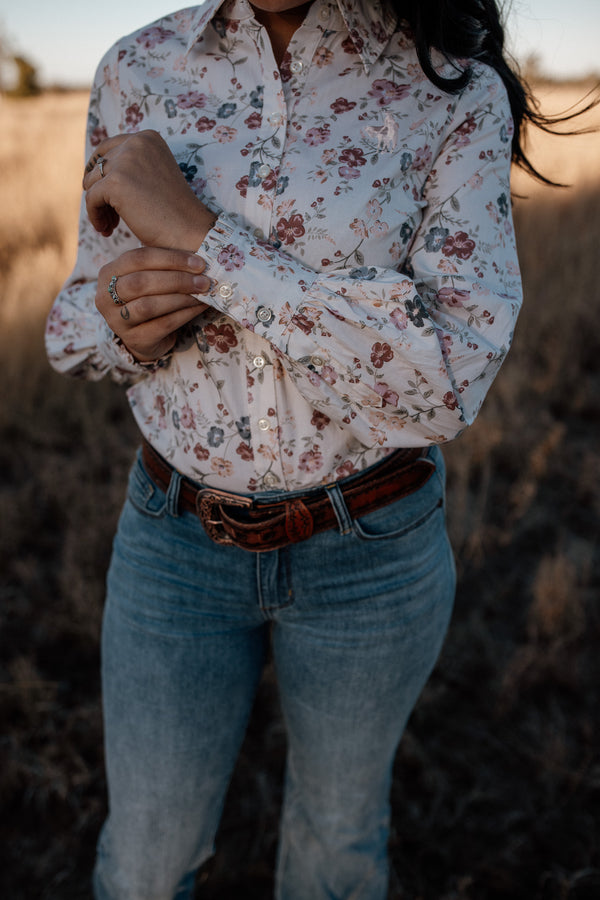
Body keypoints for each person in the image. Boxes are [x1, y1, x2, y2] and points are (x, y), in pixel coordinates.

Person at [46, 1, 539, 897]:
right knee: (145, 863)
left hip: (373, 553)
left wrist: (202, 243)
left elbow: (449, 378)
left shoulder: (449, 89)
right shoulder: (140, 67)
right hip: (172, 544)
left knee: (336, 849)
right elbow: (73, 324)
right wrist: (124, 325)